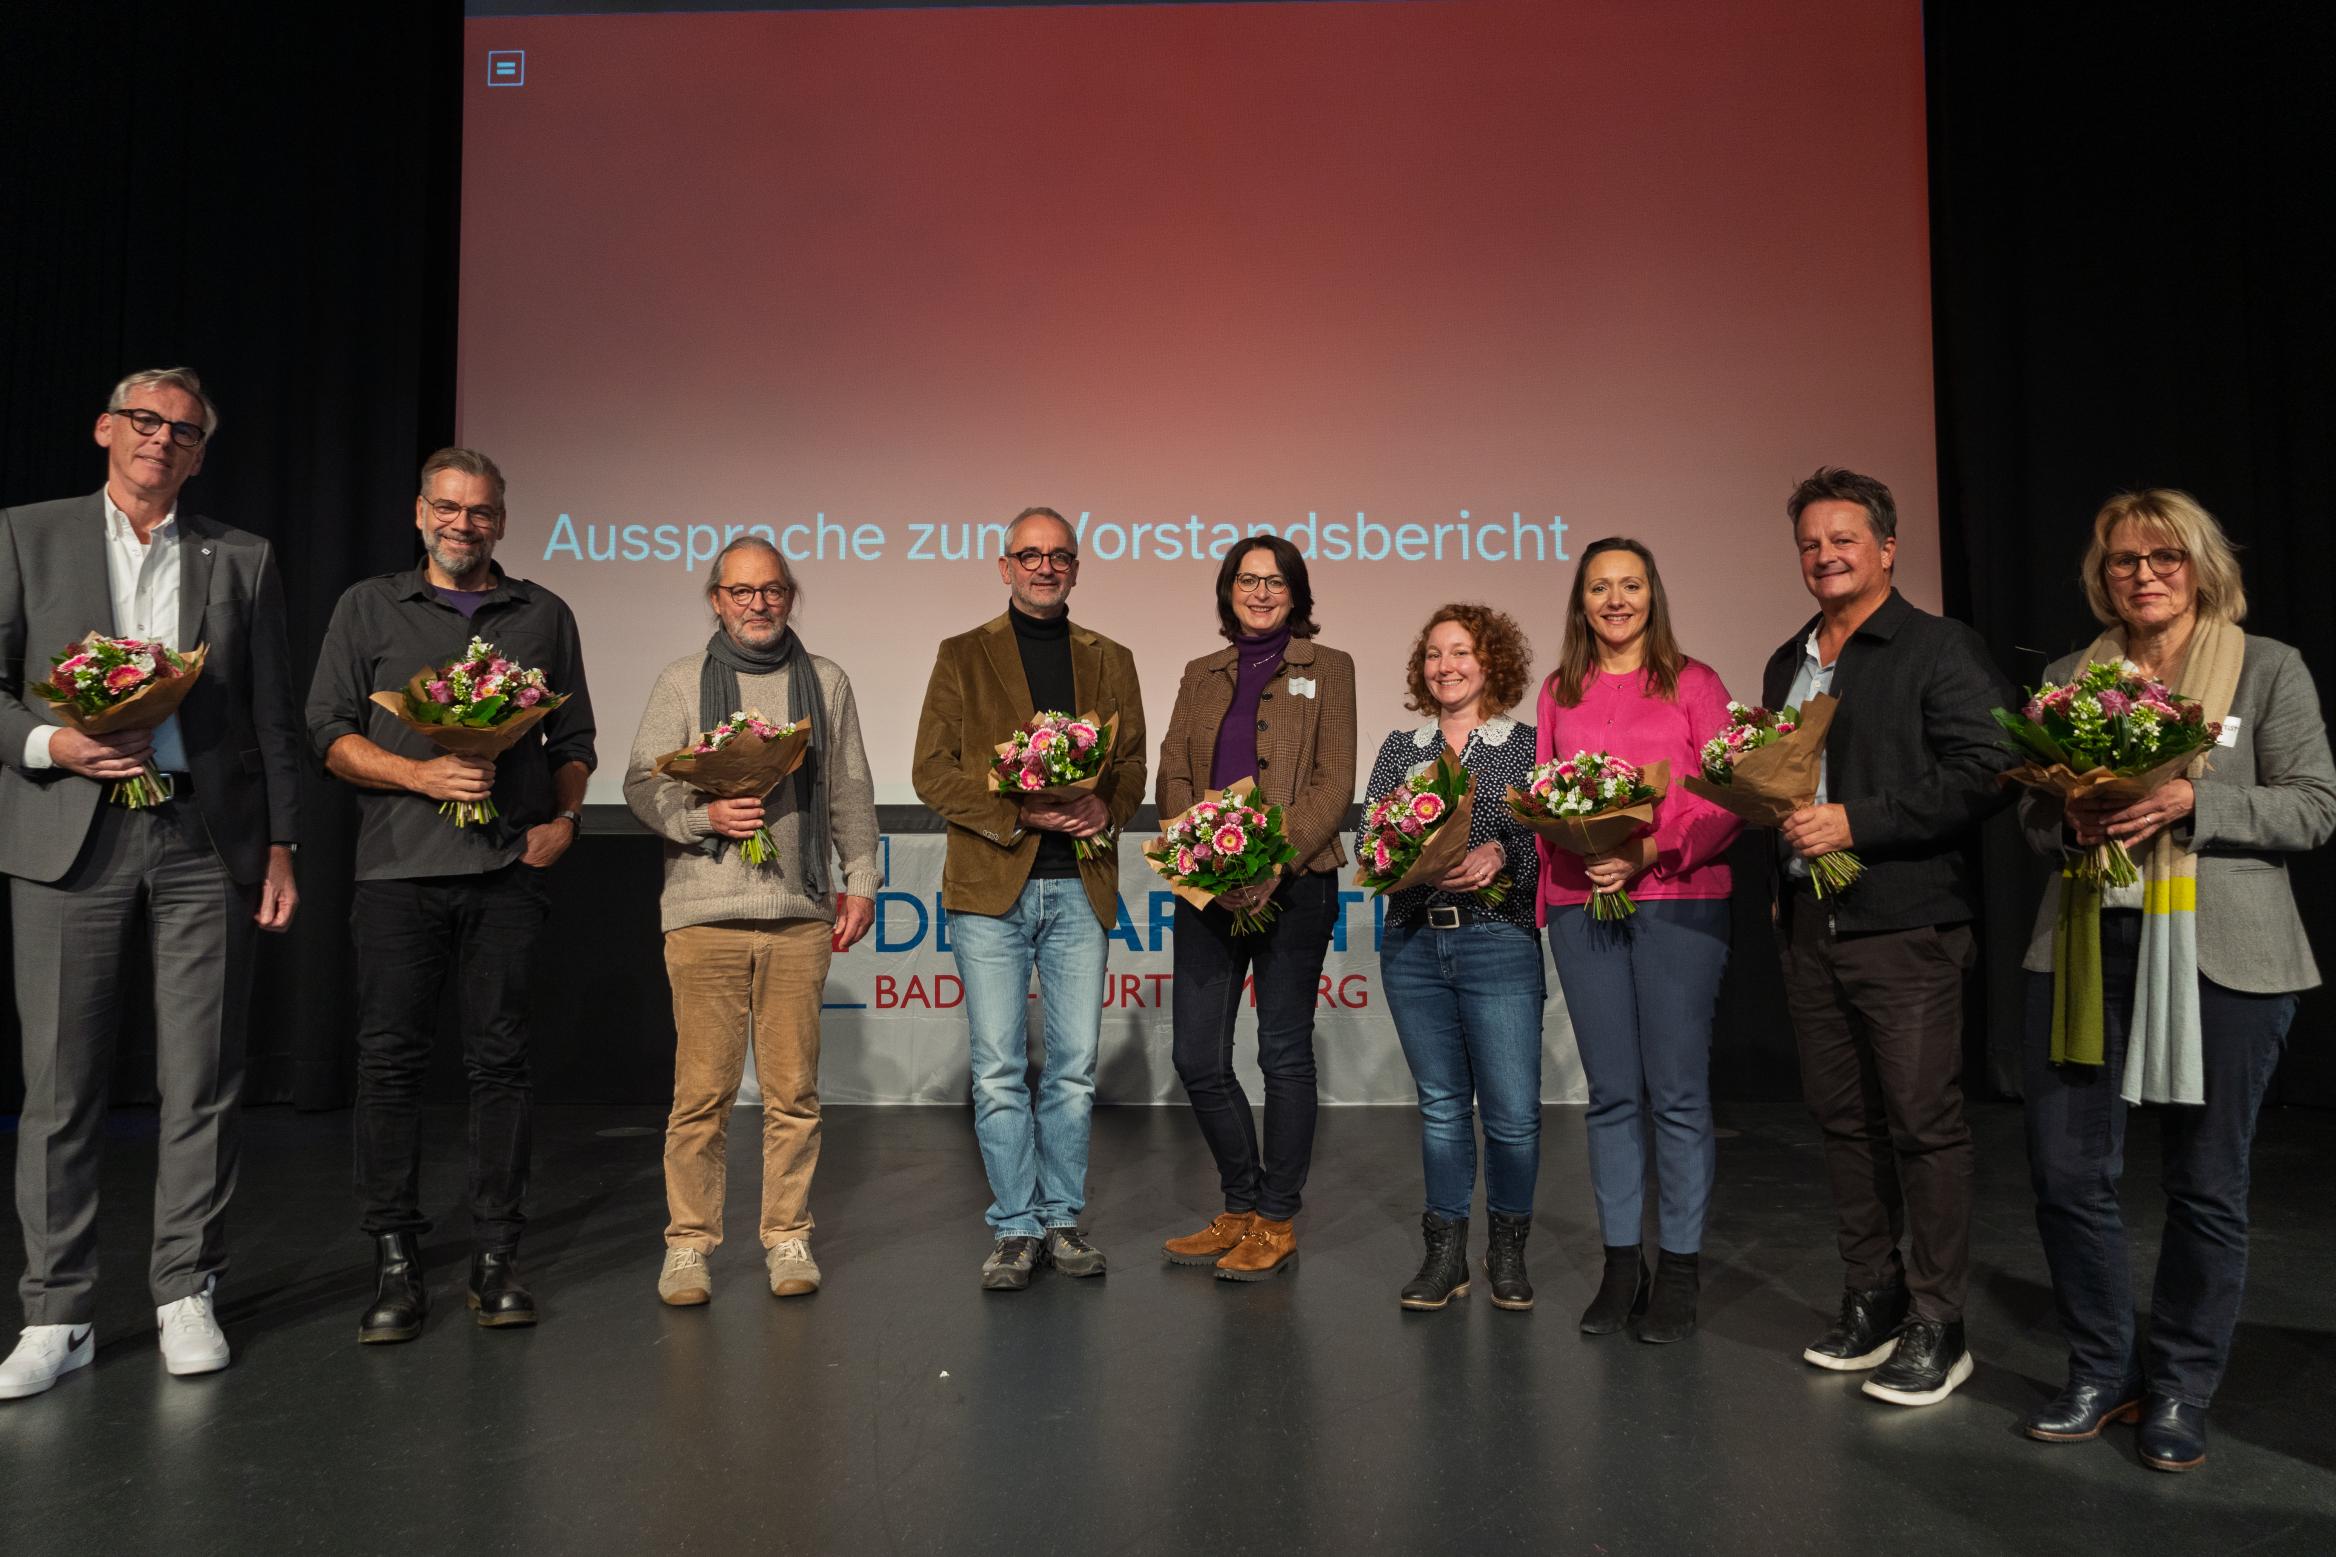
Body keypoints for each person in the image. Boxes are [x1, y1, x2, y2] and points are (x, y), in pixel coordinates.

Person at [2014, 490, 2335, 1470]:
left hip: (2222, 955)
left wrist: (2193, 797)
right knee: (2066, 1173)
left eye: (2162, 557)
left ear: (2199, 566)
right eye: (2120, 560)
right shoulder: (2070, 677)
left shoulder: (2267, 668)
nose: (2141, 574)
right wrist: (2061, 818)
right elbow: (2030, 816)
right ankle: (2100, 1371)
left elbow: (2312, 809)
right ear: (2098, 574)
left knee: (2203, 1184)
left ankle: (2180, 1389)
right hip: (2080, 945)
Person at [0, 369, 300, 1398]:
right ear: (104, 428)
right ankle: (57, 1313)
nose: (160, 441)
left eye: (182, 431)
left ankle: (185, 1286)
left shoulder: (243, 557)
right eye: (144, 422)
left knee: (202, 1076)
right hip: (65, 840)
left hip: (198, 839)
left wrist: (282, 846)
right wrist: (52, 741)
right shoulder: (25, 535)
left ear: (200, 454)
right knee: (61, 1086)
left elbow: (270, 717)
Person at [306, 447, 596, 1342]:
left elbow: (572, 734)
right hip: (397, 872)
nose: (462, 523)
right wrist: (420, 774)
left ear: (501, 521)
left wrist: (567, 817)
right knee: (390, 1064)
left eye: (479, 511)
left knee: (500, 1063)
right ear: (419, 513)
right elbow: (327, 731)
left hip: (508, 870)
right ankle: (395, 1258)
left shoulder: (541, 612)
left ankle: (495, 1255)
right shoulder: (369, 605)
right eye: (447, 507)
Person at [1766, 466, 2013, 1407]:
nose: (1825, 555)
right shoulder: (1786, 659)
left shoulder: (1939, 647)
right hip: (1809, 926)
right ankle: (1872, 1294)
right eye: (1810, 542)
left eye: (1844, 539)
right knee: (1842, 1123)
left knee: (1922, 1125)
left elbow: (1988, 769)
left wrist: (1857, 822)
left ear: (1887, 548)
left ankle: (1939, 1323)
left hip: (1904, 927)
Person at [623, 539, 880, 1305]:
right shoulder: (679, 681)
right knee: (700, 1093)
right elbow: (641, 782)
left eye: (772, 590)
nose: (758, 603)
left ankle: (787, 1234)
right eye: (742, 591)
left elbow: (850, 788)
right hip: (702, 913)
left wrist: (860, 877)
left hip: (797, 912)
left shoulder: (824, 682)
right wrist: (704, 814)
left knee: (793, 1090)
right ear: (716, 599)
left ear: (790, 597)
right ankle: (689, 1246)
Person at [910, 507, 1146, 1291]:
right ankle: (1015, 1227)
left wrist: (1108, 805)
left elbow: (1134, 765)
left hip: (1080, 884)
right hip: (990, 887)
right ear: (1003, 564)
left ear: (1076, 568)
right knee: (1001, 1069)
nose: (1045, 567)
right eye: (1030, 555)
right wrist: (1019, 812)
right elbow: (931, 772)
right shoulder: (962, 654)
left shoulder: (1111, 657)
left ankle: (1062, 1220)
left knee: (1074, 1069)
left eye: (1060, 556)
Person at [1537, 539, 1741, 1342]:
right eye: (1599, 587)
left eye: (1629, 585)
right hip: (1580, 903)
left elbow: (1728, 793)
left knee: (1680, 1095)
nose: (1614, 600)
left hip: (1679, 902)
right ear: (1580, 601)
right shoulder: (1560, 689)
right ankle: (1624, 1263)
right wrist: (1582, 855)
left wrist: (1648, 850)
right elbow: (1547, 796)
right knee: (1612, 1094)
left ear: (1652, 595)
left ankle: (1681, 1268)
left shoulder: (1696, 683)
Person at [1154, 536, 1356, 1281]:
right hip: (1208, 883)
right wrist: (1203, 850)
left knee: (1282, 1054)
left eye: (1276, 581)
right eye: (1248, 579)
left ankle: (1276, 1218)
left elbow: (1335, 783)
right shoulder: (1199, 672)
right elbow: (1172, 766)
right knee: (1196, 1056)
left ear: (1296, 592)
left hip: (1297, 884)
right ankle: (1239, 1205)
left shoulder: (1329, 668)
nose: (1261, 591)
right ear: (1228, 590)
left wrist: (1273, 860)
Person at [1363, 604, 1541, 1310]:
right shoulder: (1400, 747)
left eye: (1461, 652)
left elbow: (1545, 838)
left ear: (1491, 661)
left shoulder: (1523, 744)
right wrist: (1406, 856)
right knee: (1440, 1107)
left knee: (1514, 1115)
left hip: (1497, 938)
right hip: (1412, 940)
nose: (1446, 665)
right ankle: (1445, 1254)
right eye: (1434, 654)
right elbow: (1368, 841)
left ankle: (1507, 1249)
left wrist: (1504, 850)